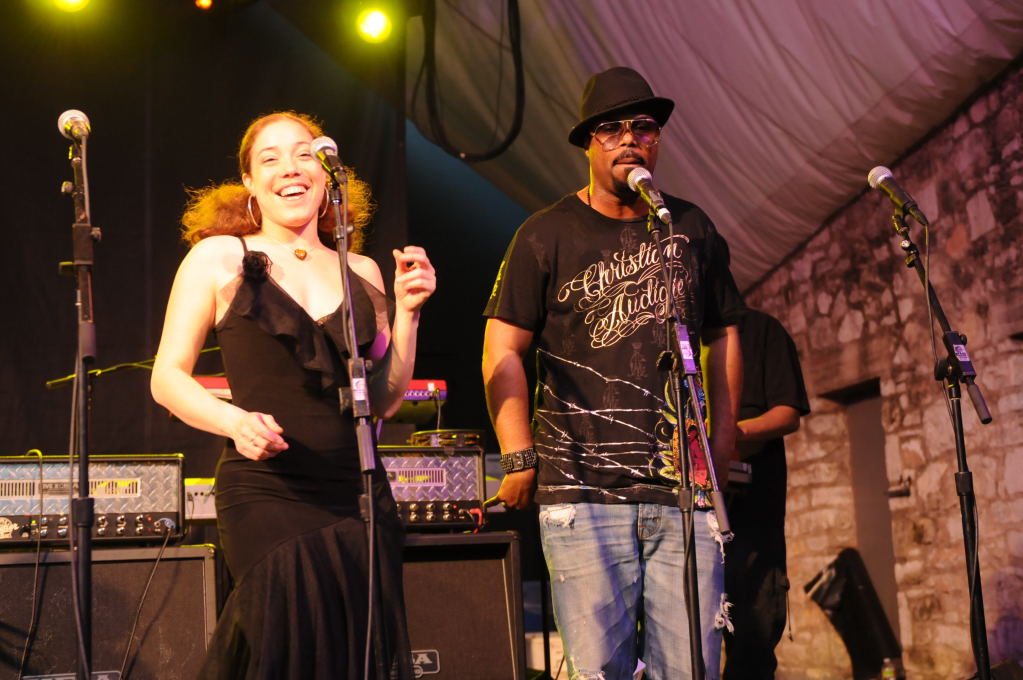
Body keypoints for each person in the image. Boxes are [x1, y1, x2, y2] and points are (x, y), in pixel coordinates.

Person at [150, 110, 436, 679]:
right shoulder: (219, 257)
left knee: (355, 656)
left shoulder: (362, 269)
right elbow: (167, 378)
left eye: (305, 154)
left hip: (357, 494)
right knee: (282, 648)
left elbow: (382, 401)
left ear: (327, 175)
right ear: (250, 183)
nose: (291, 168)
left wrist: (407, 315)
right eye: (271, 158)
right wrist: (234, 423)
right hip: (268, 491)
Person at [482, 67, 746, 680]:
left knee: (694, 668)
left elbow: (724, 331)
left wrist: (723, 438)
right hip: (581, 491)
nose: (629, 138)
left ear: (658, 140)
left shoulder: (691, 228)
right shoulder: (545, 233)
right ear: (588, 143)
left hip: (684, 492)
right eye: (611, 128)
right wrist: (518, 456)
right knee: (599, 670)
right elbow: (502, 348)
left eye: (644, 127)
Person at [722, 308, 809, 679]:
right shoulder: (672, 334)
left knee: (752, 647)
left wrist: (729, 434)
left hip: (752, 514)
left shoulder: (761, 330)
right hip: (685, 517)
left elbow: (788, 413)